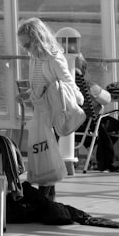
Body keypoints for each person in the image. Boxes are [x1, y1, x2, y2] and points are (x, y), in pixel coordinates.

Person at [17, 17, 80, 200]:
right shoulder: (35, 57)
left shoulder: (53, 57)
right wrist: (28, 94)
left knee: (47, 153)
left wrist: (74, 101)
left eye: (27, 44)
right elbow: (38, 83)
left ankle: (45, 197)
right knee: (45, 152)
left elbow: (67, 80)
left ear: (37, 39)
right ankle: (47, 198)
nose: (25, 49)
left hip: (53, 111)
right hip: (41, 110)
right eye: (23, 46)